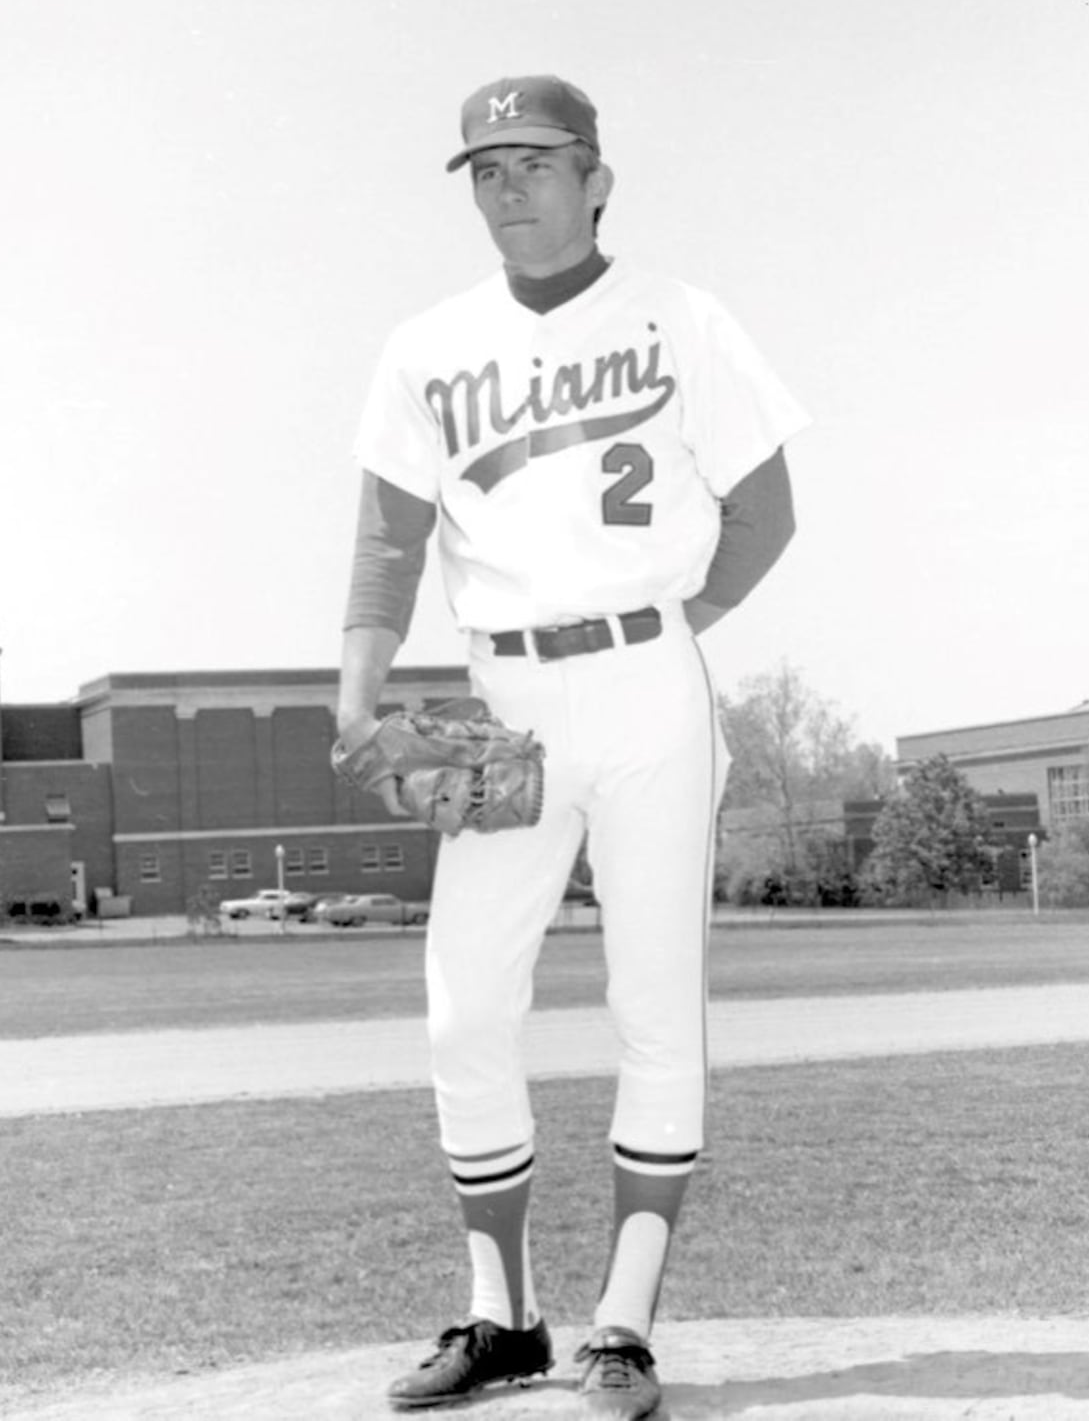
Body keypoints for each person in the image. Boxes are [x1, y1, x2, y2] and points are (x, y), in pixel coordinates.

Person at [335, 75, 809, 1418]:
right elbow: (386, 542)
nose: (511, 187)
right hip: (506, 705)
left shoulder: (683, 317)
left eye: (537, 162)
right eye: (486, 169)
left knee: (656, 1003)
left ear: (597, 175)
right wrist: (355, 698)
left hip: (650, 691)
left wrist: (663, 627)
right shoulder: (425, 347)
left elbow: (766, 514)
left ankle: (624, 1327)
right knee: (465, 1001)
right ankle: (503, 1319)